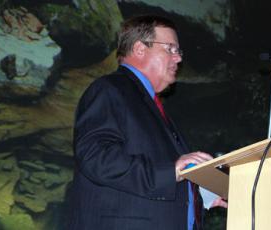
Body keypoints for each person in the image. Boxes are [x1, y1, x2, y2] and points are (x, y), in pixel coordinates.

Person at [66, 15, 226, 230]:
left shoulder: (151, 106)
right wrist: (172, 171)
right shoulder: (110, 89)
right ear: (140, 49)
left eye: (178, 51)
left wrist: (197, 195)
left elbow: (157, 175)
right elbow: (96, 156)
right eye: (170, 48)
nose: (178, 58)